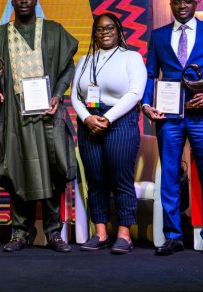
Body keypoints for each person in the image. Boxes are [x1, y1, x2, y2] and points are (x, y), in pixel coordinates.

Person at [141, 0, 203, 262]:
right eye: (176, 2)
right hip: (168, 117)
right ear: (170, 4)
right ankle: (173, 236)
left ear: (196, 2)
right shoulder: (158, 36)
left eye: (187, 1)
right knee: (169, 175)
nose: (182, 6)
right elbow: (149, 75)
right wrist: (146, 104)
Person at [0, 0, 78, 253]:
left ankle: (53, 232)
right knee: (16, 170)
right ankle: (20, 232)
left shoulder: (53, 31)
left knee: (52, 170)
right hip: (14, 117)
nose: (23, 0)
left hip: (47, 115)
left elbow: (67, 69)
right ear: (12, 2)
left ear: (36, 0)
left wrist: (58, 95)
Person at [72, 13, 146, 254]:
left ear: (119, 31)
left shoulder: (131, 58)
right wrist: (87, 118)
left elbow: (135, 93)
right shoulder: (85, 60)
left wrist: (108, 117)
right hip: (89, 124)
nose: (105, 32)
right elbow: (75, 95)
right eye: (100, 29)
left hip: (120, 121)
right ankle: (100, 233)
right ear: (94, 33)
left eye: (110, 28)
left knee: (120, 180)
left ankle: (124, 234)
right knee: (95, 181)